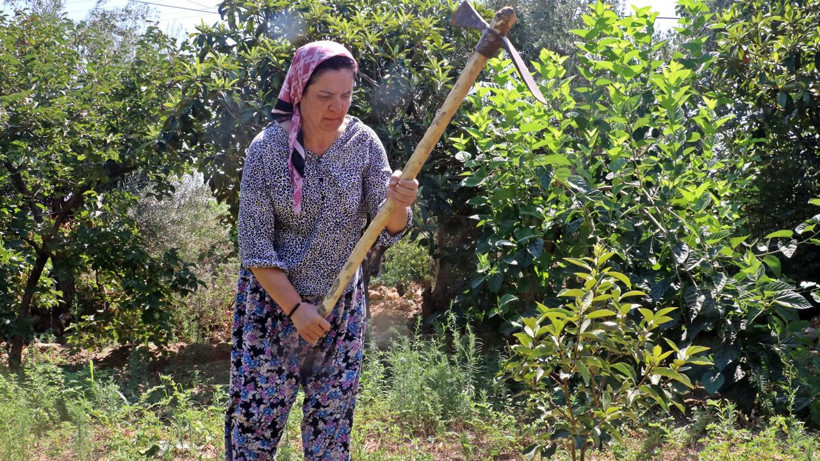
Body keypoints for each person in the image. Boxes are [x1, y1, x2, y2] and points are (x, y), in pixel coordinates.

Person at [225, 40, 418, 460]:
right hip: (272, 309)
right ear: (299, 92)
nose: (337, 107)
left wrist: (399, 204)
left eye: (346, 95)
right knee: (255, 426)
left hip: (340, 311)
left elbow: (388, 229)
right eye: (325, 96)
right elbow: (254, 244)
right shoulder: (267, 150)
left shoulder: (364, 144)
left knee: (330, 427)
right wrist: (296, 310)